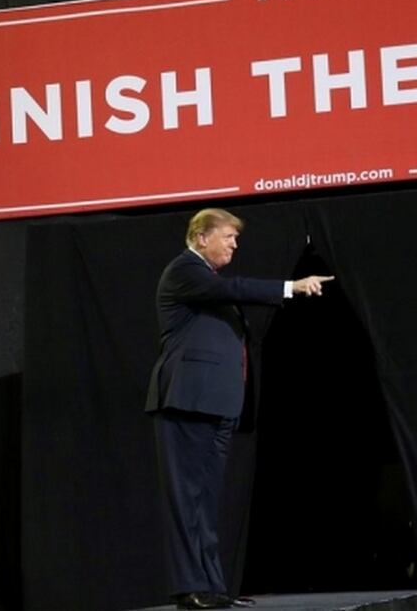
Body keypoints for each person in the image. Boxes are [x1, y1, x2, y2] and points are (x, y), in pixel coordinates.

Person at [145, 208, 333, 610]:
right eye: (228, 237)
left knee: (207, 501)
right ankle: (189, 588)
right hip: (186, 402)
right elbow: (236, 289)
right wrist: (291, 287)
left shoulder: (207, 282)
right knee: (187, 500)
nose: (235, 245)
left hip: (216, 405)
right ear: (201, 237)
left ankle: (212, 586)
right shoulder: (185, 271)